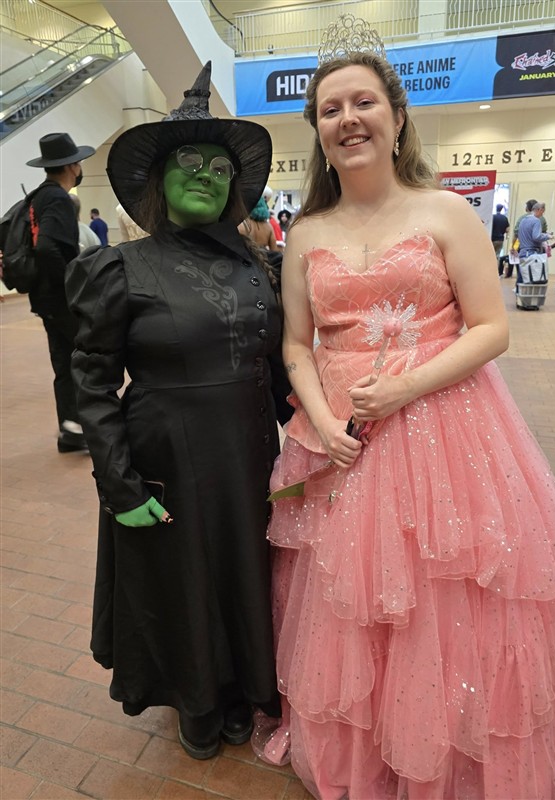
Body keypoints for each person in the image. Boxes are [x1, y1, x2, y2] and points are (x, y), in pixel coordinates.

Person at [255, 18, 555, 800]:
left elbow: (492, 328)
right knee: (350, 604)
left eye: (363, 102)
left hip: (447, 432)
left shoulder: (444, 212)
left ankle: (449, 758)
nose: (348, 119)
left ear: (397, 116)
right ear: (318, 130)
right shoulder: (306, 233)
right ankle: (371, 754)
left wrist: (406, 386)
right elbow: (297, 344)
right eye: (331, 109)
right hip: (341, 441)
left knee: (444, 599)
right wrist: (321, 418)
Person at [65, 62, 292, 760]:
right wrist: (119, 485)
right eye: (189, 163)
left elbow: (282, 371)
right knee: (183, 579)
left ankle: (243, 688)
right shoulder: (121, 267)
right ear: (160, 180)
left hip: (249, 454)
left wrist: (321, 438)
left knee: (244, 571)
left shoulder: (259, 266)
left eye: (221, 169)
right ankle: (197, 698)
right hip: (163, 456)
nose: (206, 176)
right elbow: (92, 384)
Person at [26, 132, 95, 452]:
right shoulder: (57, 199)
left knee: (65, 362)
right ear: (71, 166)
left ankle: (71, 429)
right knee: (85, 358)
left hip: (46, 298)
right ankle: (84, 426)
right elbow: (46, 248)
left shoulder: (39, 196)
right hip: (61, 298)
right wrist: (72, 281)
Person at [490, 203, 509, 275]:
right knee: (497, 256)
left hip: (492, 239)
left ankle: (490, 271)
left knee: (490, 255)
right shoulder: (505, 218)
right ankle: (496, 272)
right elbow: (507, 230)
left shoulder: (493, 217)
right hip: (500, 240)